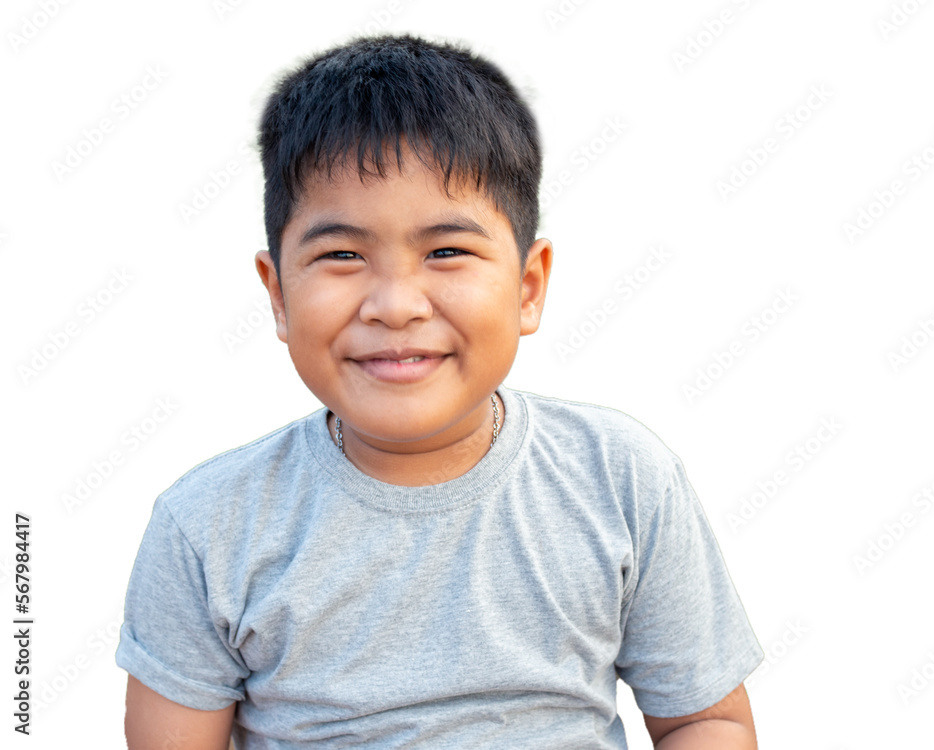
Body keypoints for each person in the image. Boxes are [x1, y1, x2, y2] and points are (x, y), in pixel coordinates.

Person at [115, 33, 764, 749]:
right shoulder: (208, 527)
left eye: (446, 251)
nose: (396, 305)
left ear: (528, 286)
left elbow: (706, 720)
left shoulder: (620, 479)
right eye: (342, 255)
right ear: (278, 295)